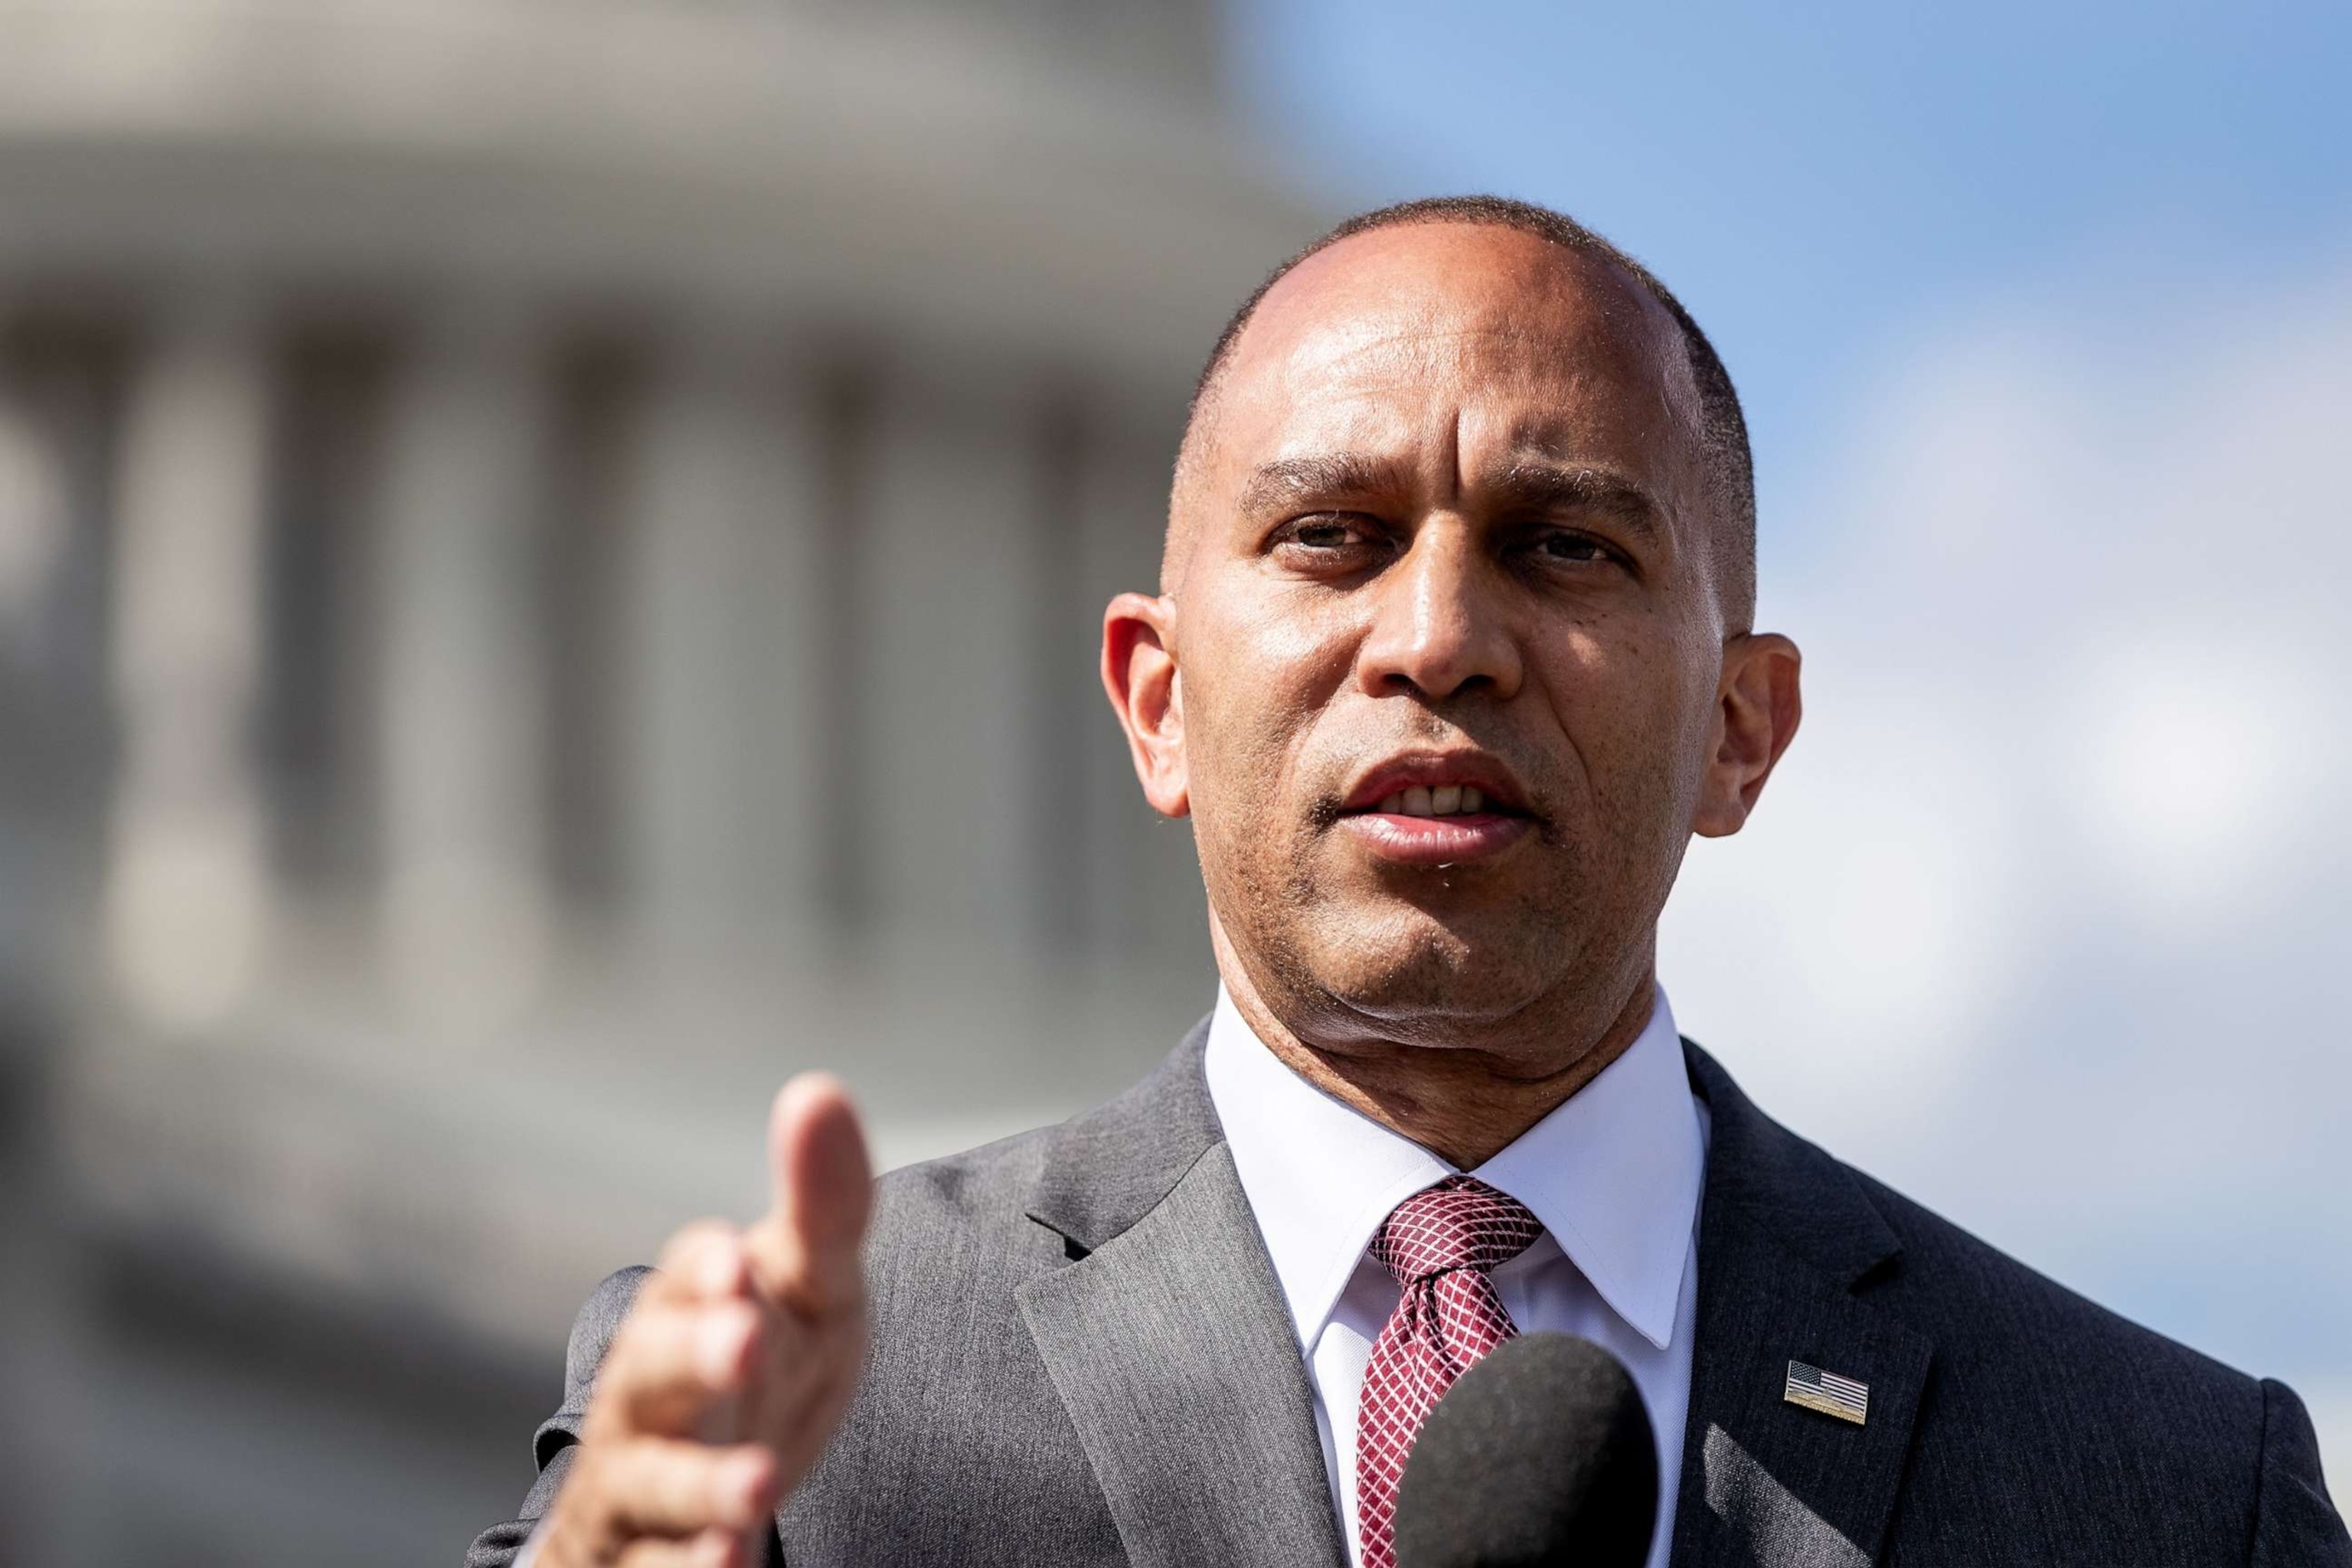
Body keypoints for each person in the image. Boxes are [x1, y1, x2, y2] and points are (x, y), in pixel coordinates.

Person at [467, 197, 2349, 1568]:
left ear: (1742, 730)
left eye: (1563, 547)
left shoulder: (2168, 1491)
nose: (1440, 638)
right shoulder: (796, 1426)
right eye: (1334, 537)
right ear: (1158, 701)